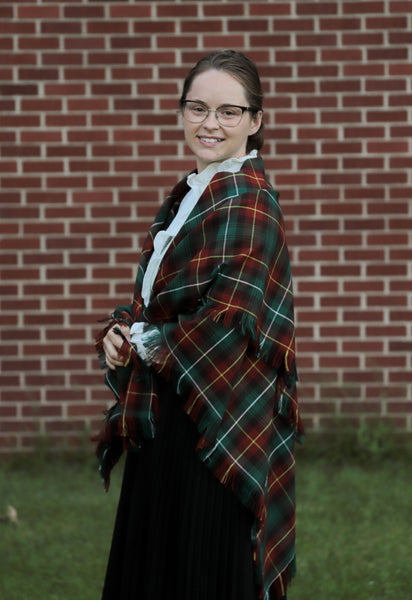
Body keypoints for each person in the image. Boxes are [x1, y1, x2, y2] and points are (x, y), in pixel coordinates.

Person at [94, 49, 303, 600]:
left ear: (255, 121)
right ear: (182, 111)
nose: (210, 123)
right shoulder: (191, 191)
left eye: (228, 112)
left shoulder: (250, 203)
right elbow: (156, 302)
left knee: (203, 569)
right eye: (198, 108)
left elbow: (228, 328)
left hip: (215, 420)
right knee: (160, 564)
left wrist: (143, 342)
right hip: (169, 412)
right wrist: (121, 332)